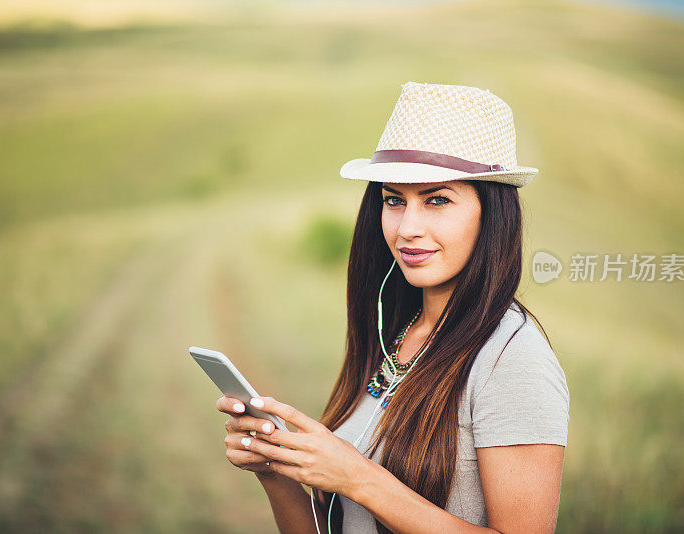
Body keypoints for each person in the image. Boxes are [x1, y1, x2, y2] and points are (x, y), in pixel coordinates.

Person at [215, 82, 570, 534]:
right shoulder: (395, 333)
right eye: (393, 200)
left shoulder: (511, 359)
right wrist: (275, 470)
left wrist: (359, 478)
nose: (408, 228)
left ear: (493, 213)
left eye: (437, 200)